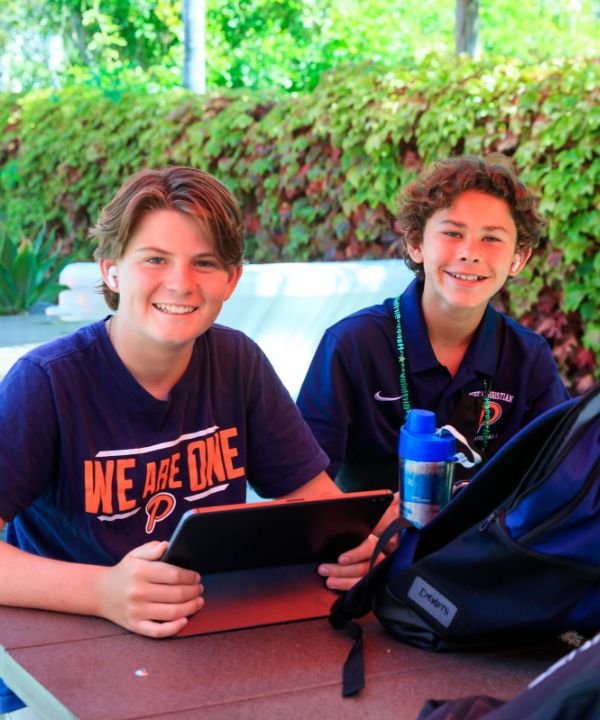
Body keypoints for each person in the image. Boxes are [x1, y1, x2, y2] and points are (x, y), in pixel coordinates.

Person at [0, 166, 373, 717]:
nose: (180, 282)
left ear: (232, 279)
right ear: (112, 271)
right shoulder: (47, 382)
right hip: (61, 667)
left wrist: (350, 546)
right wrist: (104, 593)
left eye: (204, 262)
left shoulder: (236, 361)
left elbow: (313, 500)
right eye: (154, 259)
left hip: (208, 651)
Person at [297, 154, 570, 493]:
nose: (470, 252)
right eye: (453, 233)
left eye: (491, 238)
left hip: (486, 545)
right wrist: (368, 538)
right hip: (374, 544)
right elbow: (305, 484)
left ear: (518, 258)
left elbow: (557, 479)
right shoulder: (353, 344)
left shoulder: (528, 358)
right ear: (415, 243)